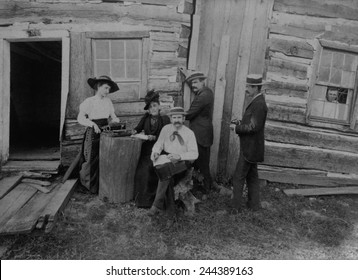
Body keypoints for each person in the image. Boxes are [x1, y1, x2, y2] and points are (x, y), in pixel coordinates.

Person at [149, 107, 198, 223]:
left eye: (179, 117)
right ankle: (171, 214)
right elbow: (159, 144)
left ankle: (156, 205)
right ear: (170, 119)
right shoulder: (166, 129)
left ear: (184, 118)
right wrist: (155, 152)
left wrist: (179, 156)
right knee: (167, 175)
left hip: (183, 162)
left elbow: (195, 153)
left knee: (165, 172)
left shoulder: (189, 133)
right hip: (168, 159)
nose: (177, 120)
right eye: (174, 117)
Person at [77, 75, 120, 194]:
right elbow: (80, 118)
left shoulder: (108, 101)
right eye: (106, 88)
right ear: (98, 87)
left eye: (109, 89)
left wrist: (116, 120)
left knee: (104, 157)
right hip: (93, 132)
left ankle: (100, 186)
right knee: (91, 158)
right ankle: (87, 186)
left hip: (105, 131)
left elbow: (113, 116)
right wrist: (92, 124)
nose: (108, 91)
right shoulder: (89, 101)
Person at [231, 74, 268, 212]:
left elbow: (253, 127)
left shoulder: (259, 104)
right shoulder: (257, 101)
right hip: (252, 148)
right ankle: (254, 205)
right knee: (252, 177)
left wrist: (236, 128)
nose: (246, 89)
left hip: (249, 149)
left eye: (248, 87)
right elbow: (252, 123)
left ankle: (235, 208)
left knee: (238, 177)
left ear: (256, 88)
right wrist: (240, 122)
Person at [132, 90, 170, 208]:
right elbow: (138, 128)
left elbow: (166, 137)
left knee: (154, 169)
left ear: (158, 106)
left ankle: (154, 200)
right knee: (142, 171)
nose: (152, 109)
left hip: (161, 149)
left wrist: (155, 137)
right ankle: (142, 201)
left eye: (154, 106)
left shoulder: (165, 119)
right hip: (147, 149)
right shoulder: (146, 118)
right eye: (150, 107)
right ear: (148, 109)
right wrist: (135, 131)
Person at [185, 71, 214, 193]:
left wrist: (175, 114)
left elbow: (190, 113)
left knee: (203, 163)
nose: (193, 85)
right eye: (191, 83)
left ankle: (207, 189)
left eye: (196, 82)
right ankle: (200, 186)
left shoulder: (204, 95)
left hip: (201, 134)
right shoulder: (203, 93)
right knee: (198, 162)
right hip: (199, 133)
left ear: (203, 82)